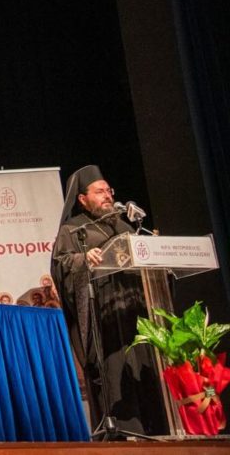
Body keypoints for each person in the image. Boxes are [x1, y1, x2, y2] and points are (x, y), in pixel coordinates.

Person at [51, 165, 165, 435]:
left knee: (144, 368)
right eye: (99, 191)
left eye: (108, 190)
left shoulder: (124, 225)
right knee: (115, 370)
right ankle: (123, 433)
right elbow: (60, 264)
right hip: (105, 316)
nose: (107, 195)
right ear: (82, 199)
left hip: (136, 312)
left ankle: (156, 429)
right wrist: (83, 259)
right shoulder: (73, 229)